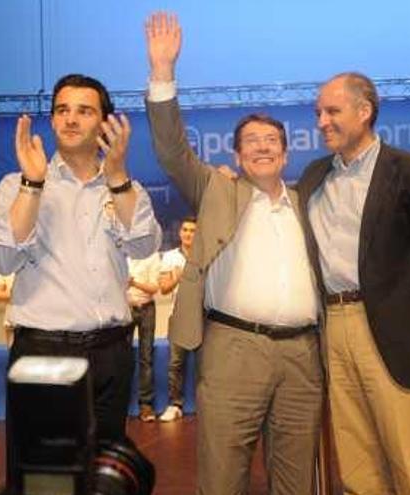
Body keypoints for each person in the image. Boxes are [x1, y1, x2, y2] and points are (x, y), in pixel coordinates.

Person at [146, 14, 323, 493]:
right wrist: (163, 71)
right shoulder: (217, 190)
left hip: (305, 356)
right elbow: (171, 153)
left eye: (271, 142)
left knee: (298, 481)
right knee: (223, 478)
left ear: (286, 154)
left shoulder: (310, 203)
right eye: (251, 142)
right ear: (237, 156)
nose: (262, 148)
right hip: (233, 352)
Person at [0, 72, 162, 460]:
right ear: (52, 121)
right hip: (44, 351)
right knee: (45, 475)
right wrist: (34, 184)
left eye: (84, 111)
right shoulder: (16, 184)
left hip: (111, 351)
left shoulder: (127, 187)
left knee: (105, 472)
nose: (71, 119)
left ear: (105, 123)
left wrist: (116, 177)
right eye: (62, 110)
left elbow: (145, 245)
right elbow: (0, 259)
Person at [298, 71, 410, 493]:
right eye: (318, 112)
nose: (322, 121)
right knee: (357, 467)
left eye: (332, 111)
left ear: (364, 111)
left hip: (394, 333)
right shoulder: (314, 177)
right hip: (332, 330)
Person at [156, 217, 196, 423]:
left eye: (192, 230)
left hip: (202, 316)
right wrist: (178, 277)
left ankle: (209, 406)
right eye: (185, 229)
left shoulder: (204, 256)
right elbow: (163, 289)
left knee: (209, 365)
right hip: (178, 315)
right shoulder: (170, 257)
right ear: (180, 233)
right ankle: (175, 405)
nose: (188, 234)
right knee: (175, 364)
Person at [126, 249, 162, 422]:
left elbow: (154, 288)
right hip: (123, 308)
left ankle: (145, 405)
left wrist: (133, 283)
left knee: (146, 357)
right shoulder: (121, 252)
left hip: (147, 309)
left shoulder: (152, 255)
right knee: (121, 357)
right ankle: (120, 404)